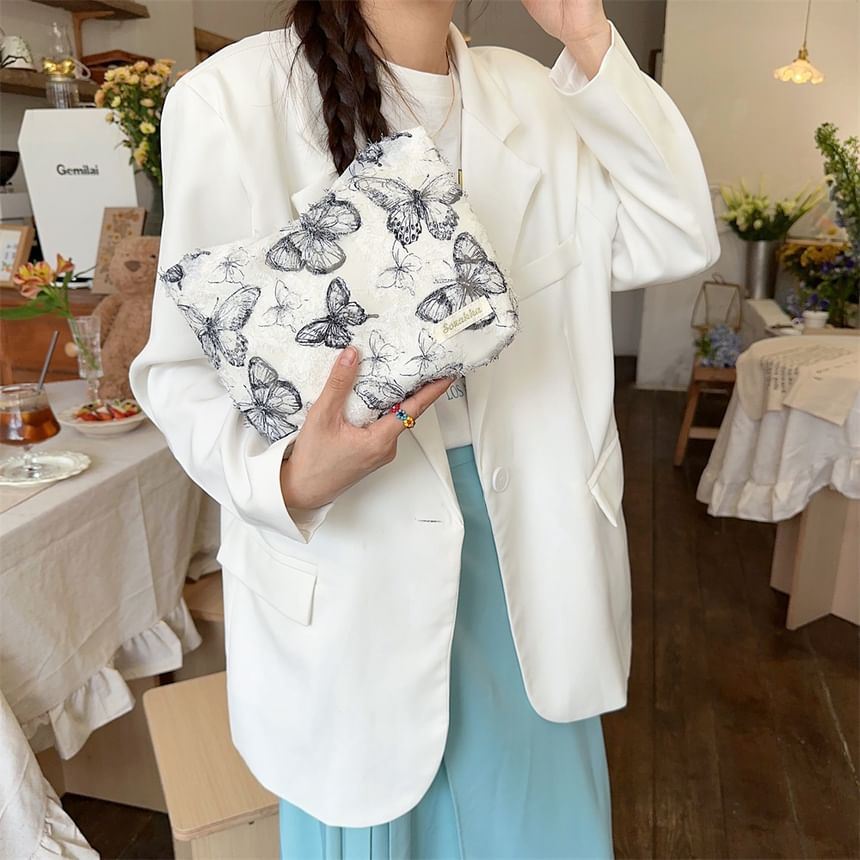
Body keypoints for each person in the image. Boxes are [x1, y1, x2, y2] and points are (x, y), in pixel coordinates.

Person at [130, 0, 720, 856]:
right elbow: (180, 368)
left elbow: (674, 236)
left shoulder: (533, 93)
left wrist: (587, 34)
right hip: (351, 567)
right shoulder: (231, 98)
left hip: (535, 564)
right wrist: (287, 480)